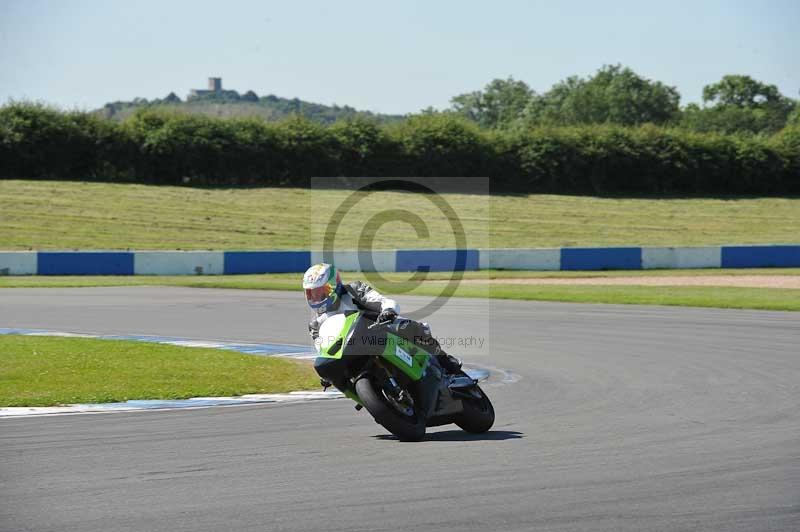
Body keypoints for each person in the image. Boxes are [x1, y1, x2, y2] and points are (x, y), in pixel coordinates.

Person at [303, 263, 461, 389]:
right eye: (312, 293)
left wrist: (388, 311)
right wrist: (325, 375)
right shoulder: (315, 326)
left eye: (321, 292)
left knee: (408, 327)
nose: (316, 297)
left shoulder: (354, 290)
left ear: (334, 285)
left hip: (378, 330)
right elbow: (323, 351)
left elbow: (380, 300)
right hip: (350, 351)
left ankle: (445, 362)